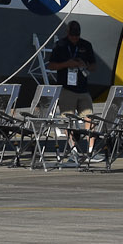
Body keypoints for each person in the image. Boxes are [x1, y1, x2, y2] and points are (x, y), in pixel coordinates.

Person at [47, 21, 100, 158]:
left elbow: (94, 66)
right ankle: (74, 150)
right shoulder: (60, 45)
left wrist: (85, 65)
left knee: (89, 118)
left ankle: (90, 150)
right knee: (68, 120)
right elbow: (51, 65)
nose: (74, 39)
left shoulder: (86, 45)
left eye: (77, 36)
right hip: (67, 88)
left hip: (83, 88)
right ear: (67, 33)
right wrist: (67, 64)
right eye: (72, 36)